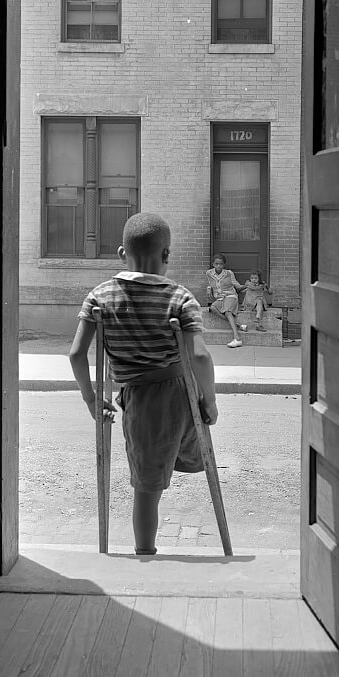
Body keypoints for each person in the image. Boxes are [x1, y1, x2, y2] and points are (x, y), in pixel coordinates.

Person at [69, 212, 218, 557]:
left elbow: (77, 354)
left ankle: (145, 554)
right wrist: (209, 400)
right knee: (183, 457)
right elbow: (199, 357)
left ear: (122, 253)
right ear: (167, 255)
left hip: (139, 400)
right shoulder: (180, 297)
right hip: (181, 396)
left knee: (146, 489)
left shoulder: (100, 297)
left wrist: (91, 400)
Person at [205, 253, 248, 347]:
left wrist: (245, 286)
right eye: (216, 264)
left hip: (230, 296)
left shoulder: (229, 273)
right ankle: (238, 326)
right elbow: (210, 283)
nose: (218, 266)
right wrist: (208, 288)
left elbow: (237, 286)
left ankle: (237, 339)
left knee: (228, 312)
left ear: (224, 265)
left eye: (221, 264)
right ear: (213, 264)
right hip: (220, 298)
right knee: (212, 308)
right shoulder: (209, 273)